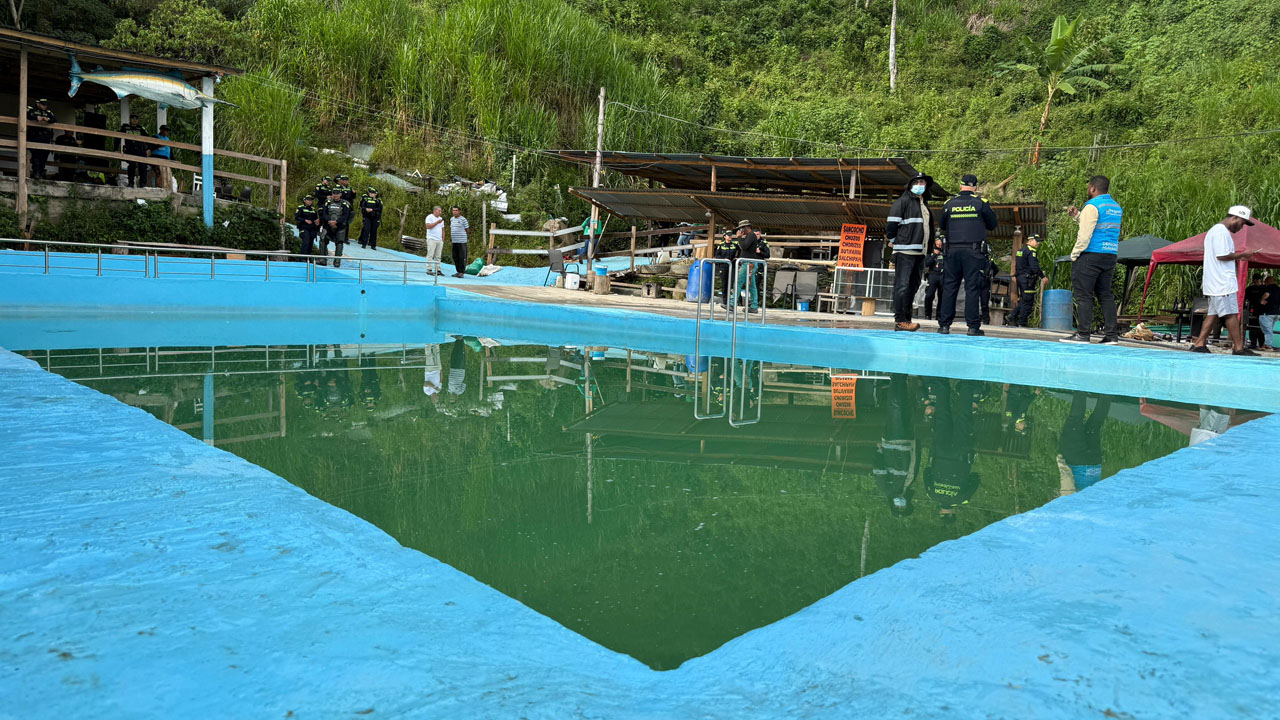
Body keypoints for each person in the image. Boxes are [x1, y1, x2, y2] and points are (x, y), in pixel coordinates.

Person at [1190, 206, 1260, 355]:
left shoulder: (1214, 231)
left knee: (1213, 314)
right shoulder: (1221, 232)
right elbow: (1221, 255)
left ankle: (1199, 343)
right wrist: (1242, 255)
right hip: (1222, 282)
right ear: (1234, 217)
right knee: (1231, 314)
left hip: (1215, 282)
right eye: (1242, 223)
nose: (1242, 227)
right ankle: (1239, 348)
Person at [1061, 176, 1123, 343]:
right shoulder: (1115, 207)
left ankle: (1083, 334)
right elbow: (1098, 225)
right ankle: (1111, 336)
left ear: (1093, 188)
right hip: (1109, 255)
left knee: (1084, 296)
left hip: (1090, 255)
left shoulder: (1092, 205)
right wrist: (1078, 216)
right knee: (1105, 295)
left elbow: (1085, 234)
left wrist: (1075, 255)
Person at [937, 174, 998, 336]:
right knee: (972, 288)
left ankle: (944, 325)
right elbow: (992, 225)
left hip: (952, 251)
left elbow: (942, 225)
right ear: (976, 187)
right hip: (974, 251)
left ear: (960, 186)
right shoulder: (981, 203)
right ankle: (972, 327)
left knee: (950, 287)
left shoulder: (949, 204)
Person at [885, 172, 937, 331]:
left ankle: (906, 319)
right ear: (911, 185)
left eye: (923, 182)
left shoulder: (924, 204)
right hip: (905, 251)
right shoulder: (903, 202)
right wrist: (894, 241)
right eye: (917, 182)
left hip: (920, 252)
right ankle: (900, 319)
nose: (920, 185)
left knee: (913, 286)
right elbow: (891, 225)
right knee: (902, 285)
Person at [925, 378, 983, 518]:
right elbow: (927, 472)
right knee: (942, 415)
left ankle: (967, 386)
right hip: (940, 452)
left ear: (954, 513)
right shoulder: (931, 494)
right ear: (940, 512)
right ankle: (941, 384)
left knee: (964, 417)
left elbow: (975, 479)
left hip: (961, 453)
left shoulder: (962, 498)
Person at [874, 374, 918, 516]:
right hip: (909, 442)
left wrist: (879, 451)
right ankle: (903, 379)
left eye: (897, 507)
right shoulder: (907, 487)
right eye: (903, 508)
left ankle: (896, 377)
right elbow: (913, 465)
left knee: (896, 408)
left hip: (893, 443)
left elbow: (878, 470)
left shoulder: (887, 489)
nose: (900, 505)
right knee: (907, 408)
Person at [1056, 392, 1110, 495]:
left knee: (1095, 424)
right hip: (1076, 460)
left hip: (1095, 465)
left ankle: (1107, 394)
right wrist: (1061, 464)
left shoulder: (1090, 505)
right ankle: (1080, 389)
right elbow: (1068, 481)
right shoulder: (1069, 506)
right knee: (1074, 421)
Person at [1010, 235, 1045, 327]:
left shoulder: (1020, 251)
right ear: (1030, 241)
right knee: (1028, 301)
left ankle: (1012, 316)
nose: (1038, 243)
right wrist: (1042, 276)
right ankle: (1022, 322)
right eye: (1036, 241)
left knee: (1024, 299)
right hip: (1027, 279)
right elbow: (1034, 267)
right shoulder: (1031, 251)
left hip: (1020, 278)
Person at [733, 219, 761, 312]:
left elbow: (744, 246)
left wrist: (739, 238)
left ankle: (732, 303)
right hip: (749, 263)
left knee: (738, 283)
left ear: (745, 227)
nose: (740, 230)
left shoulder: (751, 235)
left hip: (748, 264)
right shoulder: (750, 236)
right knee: (752, 286)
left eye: (741, 228)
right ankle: (754, 306)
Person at [319, 189, 352, 268]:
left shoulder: (345, 203)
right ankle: (322, 260)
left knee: (339, 243)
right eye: (334, 193)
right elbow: (324, 213)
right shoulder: (328, 202)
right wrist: (329, 221)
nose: (335, 195)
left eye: (337, 194)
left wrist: (337, 222)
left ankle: (337, 262)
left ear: (340, 194)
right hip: (328, 225)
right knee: (323, 241)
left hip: (340, 226)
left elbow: (346, 215)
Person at [26, 98, 56, 179]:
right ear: (38, 103)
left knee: (44, 156)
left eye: (45, 104)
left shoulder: (48, 112)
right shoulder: (31, 109)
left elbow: (54, 119)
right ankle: (36, 173)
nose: (44, 106)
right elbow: (27, 115)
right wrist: (36, 118)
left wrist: (48, 119)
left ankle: (41, 172)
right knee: (36, 156)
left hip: (45, 138)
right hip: (35, 137)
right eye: (42, 104)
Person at [713, 229, 739, 310]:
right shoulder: (721, 245)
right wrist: (724, 259)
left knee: (735, 283)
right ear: (724, 237)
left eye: (731, 235)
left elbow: (741, 251)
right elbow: (717, 256)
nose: (730, 237)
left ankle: (737, 301)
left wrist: (737, 258)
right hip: (724, 266)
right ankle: (725, 301)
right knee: (724, 284)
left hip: (733, 266)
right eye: (728, 235)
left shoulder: (735, 244)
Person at [121, 118, 149, 188]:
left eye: (136, 119)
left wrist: (149, 149)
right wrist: (115, 149)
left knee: (143, 166)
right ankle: (131, 183)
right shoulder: (125, 127)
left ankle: (143, 184)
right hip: (131, 150)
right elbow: (118, 137)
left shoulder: (140, 128)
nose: (135, 120)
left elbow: (148, 137)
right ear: (130, 120)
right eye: (133, 119)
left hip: (141, 150)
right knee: (132, 165)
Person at [923, 238, 944, 320]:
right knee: (929, 295)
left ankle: (939, 315)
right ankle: (927, 314)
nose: (939, 244)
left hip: (942, 275)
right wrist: (935, 254)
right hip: (933, 274)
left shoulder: (945, 251)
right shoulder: (931, 252)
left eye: (940, 243)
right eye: (937, 243)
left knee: (942, 296)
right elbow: (927, 263)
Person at [978, 250, 1000, 325]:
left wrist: (991, 276)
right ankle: (976, 318)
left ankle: (986, 319)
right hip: (976, 281)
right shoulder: (975, 259)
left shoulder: (990, 261)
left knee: (984, 302)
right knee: (974, 300)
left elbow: (996, 270)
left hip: (985, 281)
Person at [1245, 274, 1266, 349]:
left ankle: (1261, 344)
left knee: (1261, 328)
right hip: (1252, 310)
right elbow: (1244, 298)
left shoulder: (1264, 288)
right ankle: (1253, 343)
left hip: (1262, 310)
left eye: (1257, 279)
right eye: (1254, 279)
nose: (1256, 281)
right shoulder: (1249, 289)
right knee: (1252, 327)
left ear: (1261, 280)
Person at [1258, 275, 1279, 351]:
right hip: (1276, 313)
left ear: (1267, 282)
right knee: (1270, 329)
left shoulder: (1269, 288)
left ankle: (1268, 345)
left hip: (1267, 312)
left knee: (1267, 330)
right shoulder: (1278, 289)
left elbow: (1267, 294)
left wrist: (1262, 300)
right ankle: (1266, 344)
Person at [449, 206, 470, 278]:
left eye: (456, 210)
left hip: (462, 241)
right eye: (453, 210)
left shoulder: (463, 219)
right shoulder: (452, 219)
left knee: (462, 257)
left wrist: (465, 237)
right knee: (455, 256)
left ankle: (462, 272)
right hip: (454, 241)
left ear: (459, 211)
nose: (454, 212)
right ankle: (458, 271)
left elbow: (467, 229)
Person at [424, 205, 446, 276]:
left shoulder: (441, 219)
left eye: (440, 211)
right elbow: (428, 226)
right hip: (431, 238)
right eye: (439, 211)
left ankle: (438, 269)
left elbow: (443, 229)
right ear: (434, 211)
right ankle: (429, 269)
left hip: (439, 239)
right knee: (430, 254)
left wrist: (443, 238)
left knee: (438, 256)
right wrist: (437, 222)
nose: (440, 212)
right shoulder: (429, 217)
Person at [151, 125, 173, 191]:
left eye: (167, 131)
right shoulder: (155, 137)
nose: (166, 132)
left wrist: (173, 159)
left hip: (166, 158)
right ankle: (157, 186)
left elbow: (170, 150)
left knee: (166, 173)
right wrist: (160, 145)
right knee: (158, 172)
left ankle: (165, 187)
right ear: (161, 130)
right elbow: (151, 147)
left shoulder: (167, 139)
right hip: (157, 157)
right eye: (165, 130)